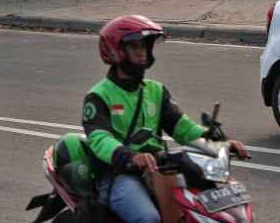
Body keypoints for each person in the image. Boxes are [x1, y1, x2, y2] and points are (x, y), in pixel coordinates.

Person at [82, 15, 250, 223]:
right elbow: (99, 139)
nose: (141, 52)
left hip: (159, 169)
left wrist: (220, 142)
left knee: (202, 206)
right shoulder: (99, 95)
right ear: (115, 50)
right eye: (134, 46)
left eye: (144, 46)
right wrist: (130, 155)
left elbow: (181, 127)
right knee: (149, 218)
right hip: (118, 175)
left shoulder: (155, 90)